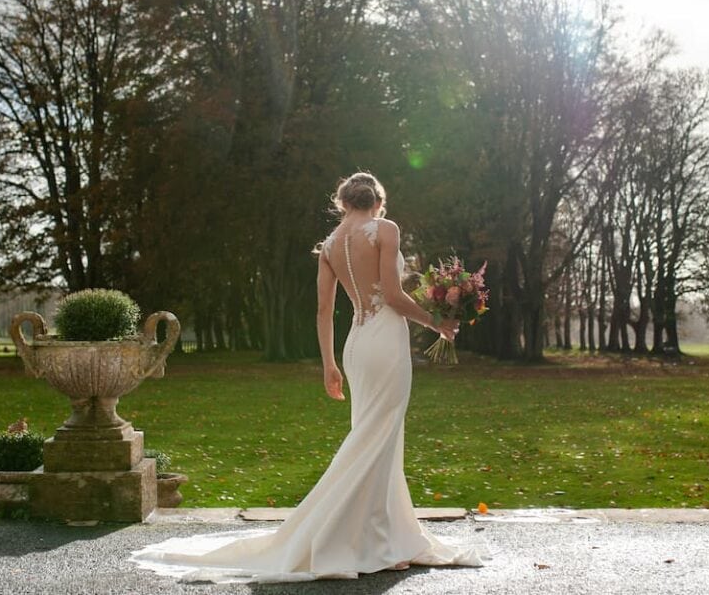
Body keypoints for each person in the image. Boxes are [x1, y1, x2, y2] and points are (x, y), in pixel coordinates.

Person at [129, 172, 485, 582]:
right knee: (380, 437)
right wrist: (436, 321)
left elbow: (322, 312)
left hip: (355, 344)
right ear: (378, 202)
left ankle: (386, 536)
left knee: (374, 436)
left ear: (343, 203)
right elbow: (390, 295)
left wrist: (329, 364)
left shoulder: (330, 246)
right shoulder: (385, 229)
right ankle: (377, 542)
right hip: (385, 341)